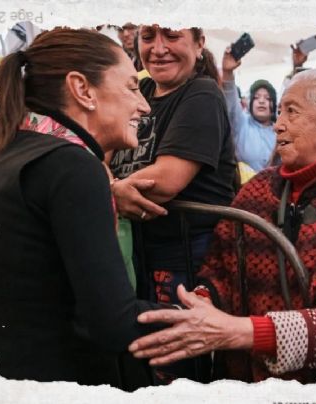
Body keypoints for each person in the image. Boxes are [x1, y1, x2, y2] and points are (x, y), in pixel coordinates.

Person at [128, 69, 316, 385]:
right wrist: (202, 303)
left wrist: (233, 332)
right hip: (250, 379)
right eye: (280, 111)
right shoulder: (258, 190)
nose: (279, 124)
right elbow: (220, 271)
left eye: (292, 112)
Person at [0, 27, 165, 390]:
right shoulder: (73, 167)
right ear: (82, 89)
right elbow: (113, 324)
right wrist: (196, 320)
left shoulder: (13, 150)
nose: (144, 105)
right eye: (132, 86)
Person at [108, 25, 236, 382]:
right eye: (148, 37)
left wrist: (110, 189)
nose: (158, 49)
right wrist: (110, 184)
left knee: (172, 368)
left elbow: (164, 182)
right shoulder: (143, 89)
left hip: (187, 260)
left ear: (199, 43)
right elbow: (98, 148)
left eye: (171, 36)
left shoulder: (202, 94)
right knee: (143, 359)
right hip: (140, 253)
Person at [221, 47, 277, 172]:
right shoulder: (241, 124)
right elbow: (231, 100)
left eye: (267, 98)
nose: (262, 101)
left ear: (274, 105)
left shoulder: (279, 130)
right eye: (256, 97)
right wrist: (227, 73)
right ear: (250, 103)